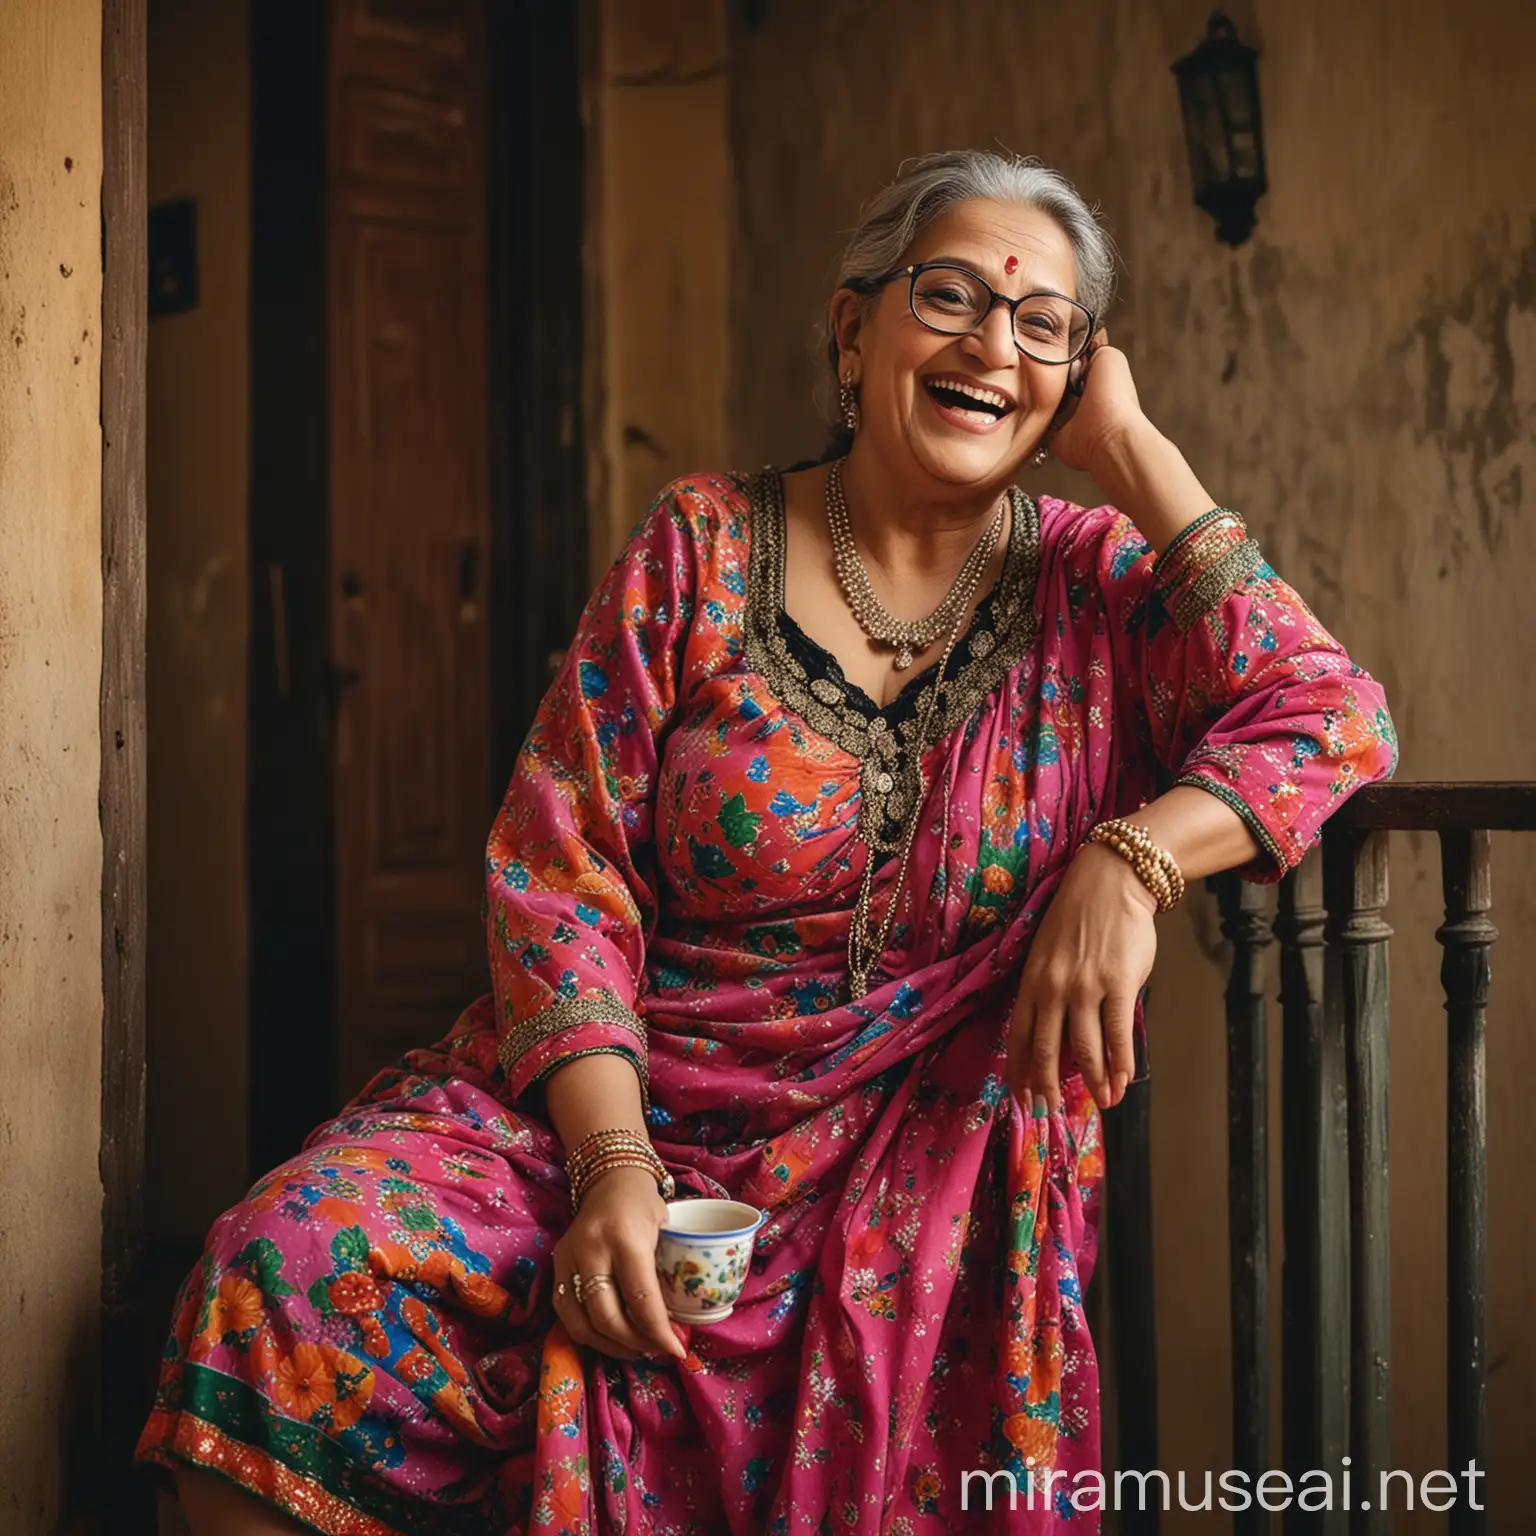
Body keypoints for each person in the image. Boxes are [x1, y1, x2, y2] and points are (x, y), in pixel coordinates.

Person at [138, 149, 1396, 1534]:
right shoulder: (700, 548)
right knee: (284, 1271)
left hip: (913, 1179)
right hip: (613, 1114)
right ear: (854, 334)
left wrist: (1137, 851)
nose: (993, 343)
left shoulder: (1096, 586)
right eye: (952, 295)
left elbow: (1329, 712)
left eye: (1044, 326)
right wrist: (614, 1170)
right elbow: (564, 871)